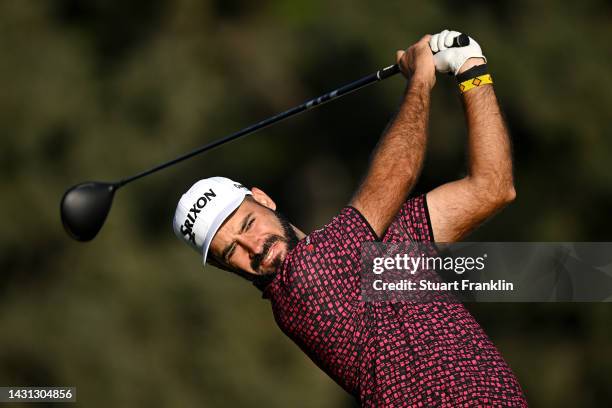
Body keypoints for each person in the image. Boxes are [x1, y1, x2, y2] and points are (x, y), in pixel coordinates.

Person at [173, 30, 527, 407]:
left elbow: (493, 187)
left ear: (262, 198)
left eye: (247, 224)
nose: (254, 247)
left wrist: (471, 68)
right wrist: (420, 78)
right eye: (231, 252)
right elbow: (396, 175)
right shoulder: (302, 284)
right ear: (225, 268)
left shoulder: (375, 247)